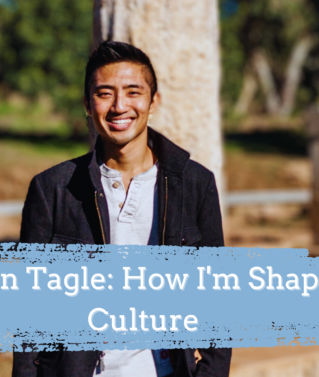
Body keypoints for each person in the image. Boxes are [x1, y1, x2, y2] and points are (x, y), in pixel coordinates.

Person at [12, 41, 230, 377]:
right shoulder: (52, 189)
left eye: (133, 92)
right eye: (104, 93)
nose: (119, 106)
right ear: (87, 103)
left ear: (153, 101)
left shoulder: (195, 184)